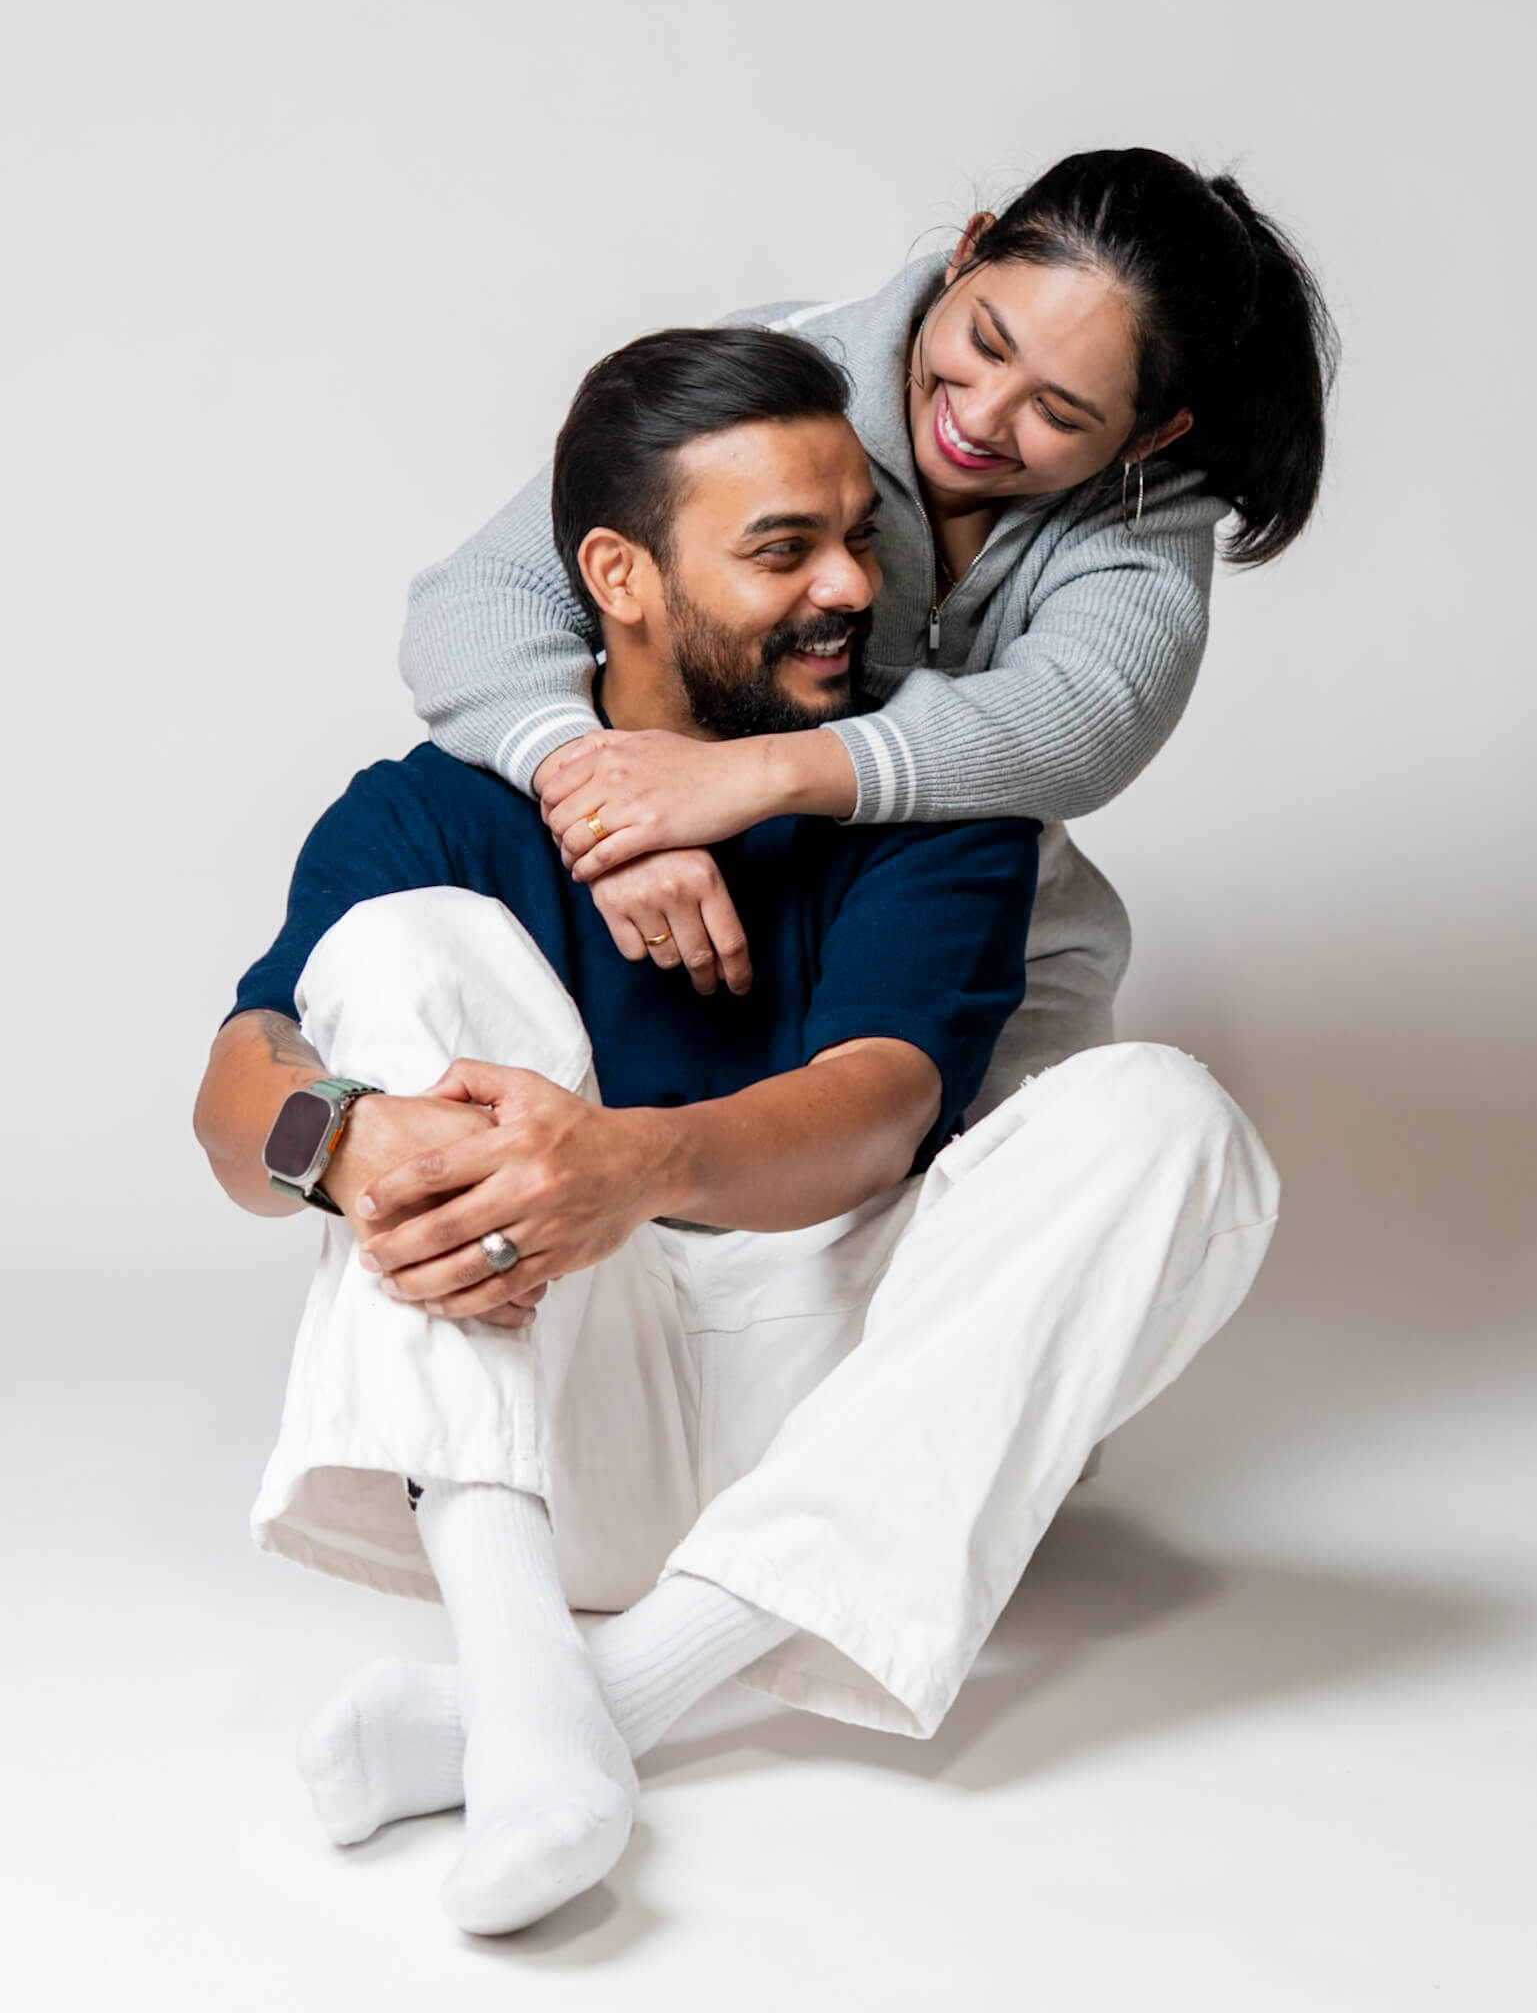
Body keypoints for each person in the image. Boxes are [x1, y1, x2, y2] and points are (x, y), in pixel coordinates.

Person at [194, 326, 1279, 1938]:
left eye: (858, 537)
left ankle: (571, 1711)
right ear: (619, 577)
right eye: (782, 552)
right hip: (546, 1424)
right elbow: (235, 1095)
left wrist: (636, 1164)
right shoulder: (433, 805)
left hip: (844, 1426)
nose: (849, 588)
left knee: (1169, 1125)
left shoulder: (924, 791)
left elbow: (881, 1108)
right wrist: (343, 1147)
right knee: (401, 948)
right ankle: (519, 1641)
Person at [400, 146, 1336, 1113]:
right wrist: (610, 809)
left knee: (1108, 1151)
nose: (981, 417)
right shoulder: (787, 375)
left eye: (1057, 412)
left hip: (982, 958)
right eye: (986, 343)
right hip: (716, 917)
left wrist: (747, 777)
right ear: (966, 251)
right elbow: (481, 599)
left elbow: (1084, 722)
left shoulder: (1147, 508)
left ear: (1148, 436)